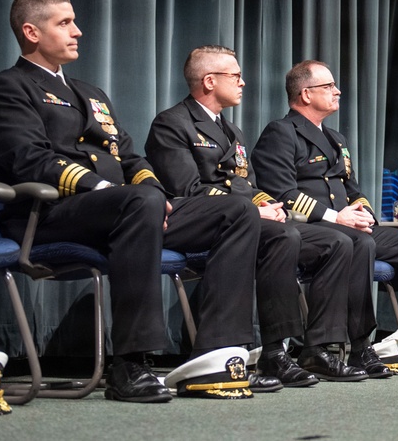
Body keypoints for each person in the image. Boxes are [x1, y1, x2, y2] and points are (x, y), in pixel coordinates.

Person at [0, 0, 277, 402]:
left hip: (128, 211)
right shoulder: (7, 87)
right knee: (140, 202)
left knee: (238, 211)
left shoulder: (93, 93)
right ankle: (130, 364)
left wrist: (155, 192)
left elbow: (132, 158)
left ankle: (218, 353)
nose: (77, 31)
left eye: (75, 21)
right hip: (48, 214)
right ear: (30, 31)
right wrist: (112, 190)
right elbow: (29, 159)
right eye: (64, 23)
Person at [145, 45, 370, 383]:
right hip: (192, 221)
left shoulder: (231, 131)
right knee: (269, 227)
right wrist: (251, 207)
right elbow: (187, 189)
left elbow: (248, 184)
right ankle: (224, 351)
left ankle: (280, 352)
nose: (243, 82)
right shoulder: (172, 123)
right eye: (235, 76)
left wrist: (268, 206)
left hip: (237, 218)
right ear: (209, 81)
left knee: (313, 239)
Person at [251, 60, 398, 372]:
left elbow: (353, 190)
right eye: (328, 86)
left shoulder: (336, 139)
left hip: (347, 225)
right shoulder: (282, 132)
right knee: (356, 243)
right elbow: (283, 194)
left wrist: (365, 214)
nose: (337, 91)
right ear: (305, 94)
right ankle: (356, 346)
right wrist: (336, 217)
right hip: (308, 230)